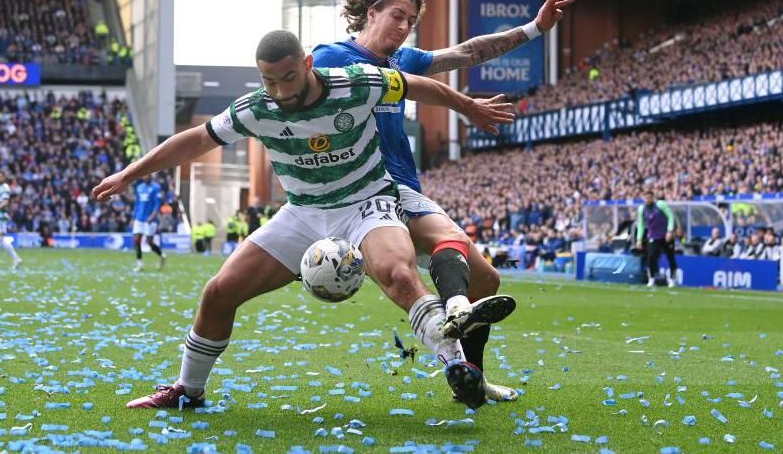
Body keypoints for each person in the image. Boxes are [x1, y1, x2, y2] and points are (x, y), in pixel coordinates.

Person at [92, 30, 515, 411]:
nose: (279, 90)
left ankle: (456, 366)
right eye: (269, 81)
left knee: (399, 275)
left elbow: (414, 85)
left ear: (308, 64)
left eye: (288, 77)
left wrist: (467, 107)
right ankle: (188, 389)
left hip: (366, 202)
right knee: (219, 292)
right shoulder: (256, 108)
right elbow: (198, 138)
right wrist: (130, 173)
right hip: (303, 212)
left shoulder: (356, 83)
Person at [312, 0, 573, 401]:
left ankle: (471, 378)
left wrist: (534, 28)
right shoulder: (331, 57)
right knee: (410, 271)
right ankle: (454, 311)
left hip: (402, 187)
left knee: (486, 281)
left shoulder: (403, 61)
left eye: (411, 21)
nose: (404, 27)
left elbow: (467, 52)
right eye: (397, 16)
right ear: (371, 12)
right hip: (358, 192)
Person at [636, 190, 677, 287]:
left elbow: (670, 216)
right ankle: (651, 278)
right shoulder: (641, 209)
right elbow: (641, 224)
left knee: (670, 256)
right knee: (651, 256)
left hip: (665, 235)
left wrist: (670, 231)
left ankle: (672, 279)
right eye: (645, 198)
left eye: (649, 198)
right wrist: (639, 239)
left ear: (653, 197)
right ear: (643, 198)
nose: (647, 200)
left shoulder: (660, 205)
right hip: (653, 236)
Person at [132, 174, 165, 271]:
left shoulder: (156, 187)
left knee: (149, 242)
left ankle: (161, 255)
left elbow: (157, 204)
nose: (145, 177)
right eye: (144, 175)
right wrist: (133, 217)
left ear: (151, 176)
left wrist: (153, 216)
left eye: (147, 175)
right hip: (139, 218)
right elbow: (137, 203)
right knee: (137, 240)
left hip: (150, 219)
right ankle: (139, 264)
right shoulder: (139, 187)